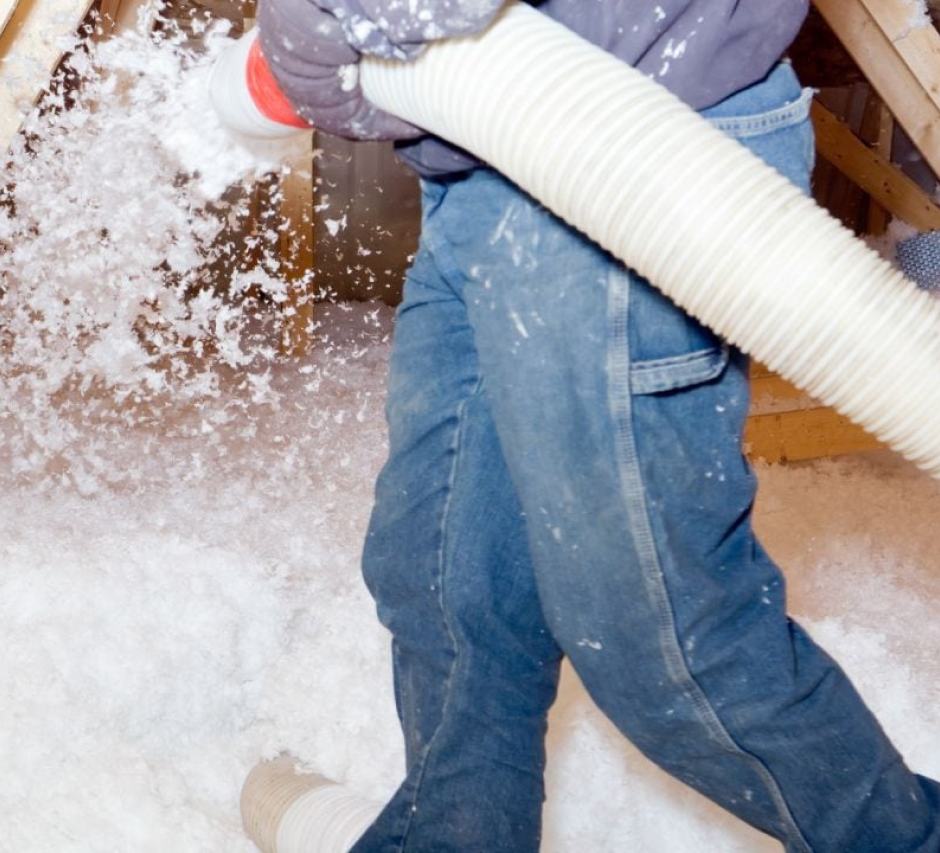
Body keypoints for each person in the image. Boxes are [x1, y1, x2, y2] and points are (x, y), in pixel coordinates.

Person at [255, 0, 940, 850]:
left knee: (661, 639)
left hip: (640, 142)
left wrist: (315, 22)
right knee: (443, 576)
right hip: (487, 140)